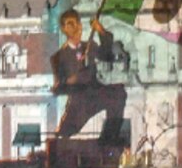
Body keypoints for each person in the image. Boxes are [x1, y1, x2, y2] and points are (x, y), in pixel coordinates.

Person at [50, 9, 127, 140]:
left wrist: (101, 31)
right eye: (70, 25)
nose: (76, 30)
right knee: (63, 135)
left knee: (118, 93)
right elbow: (59, 87)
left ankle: (109, 138)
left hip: (95, 93)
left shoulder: (90, 46)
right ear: (64, 29)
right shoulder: (58, 57)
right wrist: (72, 79)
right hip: (80, 101)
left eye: (77, 25)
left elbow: (107, 56)